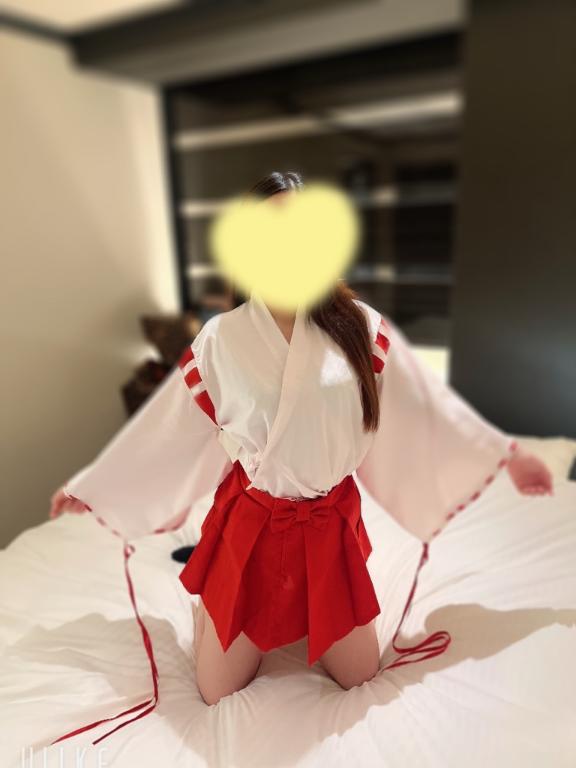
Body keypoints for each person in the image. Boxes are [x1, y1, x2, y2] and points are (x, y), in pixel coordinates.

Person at [49, 170, 553, 737]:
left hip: (327, 523)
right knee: (217, 691)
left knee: (361, 675)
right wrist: (94, 487)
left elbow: (428, 409)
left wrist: (507, 455)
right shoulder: (222, 340)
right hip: (252, 521)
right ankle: (214, 600)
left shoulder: (361, 329)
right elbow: (165, 431)